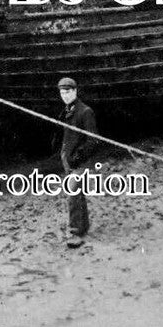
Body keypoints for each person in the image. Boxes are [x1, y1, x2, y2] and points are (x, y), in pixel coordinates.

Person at [57, 77, 99, 249]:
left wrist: (77, 158)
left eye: (68, 92)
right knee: (77, 193)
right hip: (69, 159)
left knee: (72, 192)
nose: (65, 96)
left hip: (80, 162)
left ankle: (75, 233)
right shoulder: (68, 110)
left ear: (75, 91)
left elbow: (93, 141)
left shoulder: (85, 111)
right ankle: (84, 226)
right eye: (62, 93)